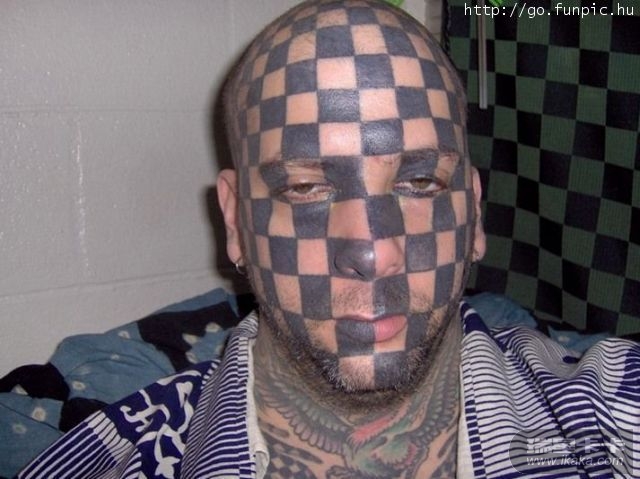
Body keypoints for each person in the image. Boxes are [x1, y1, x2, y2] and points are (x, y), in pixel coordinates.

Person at [17, 1, 640, 478]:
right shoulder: (119, 457)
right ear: (235, 223)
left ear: (474, 213)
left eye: (421, 182)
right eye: (306, 189)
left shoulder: (610, 413)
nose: (374, 252)